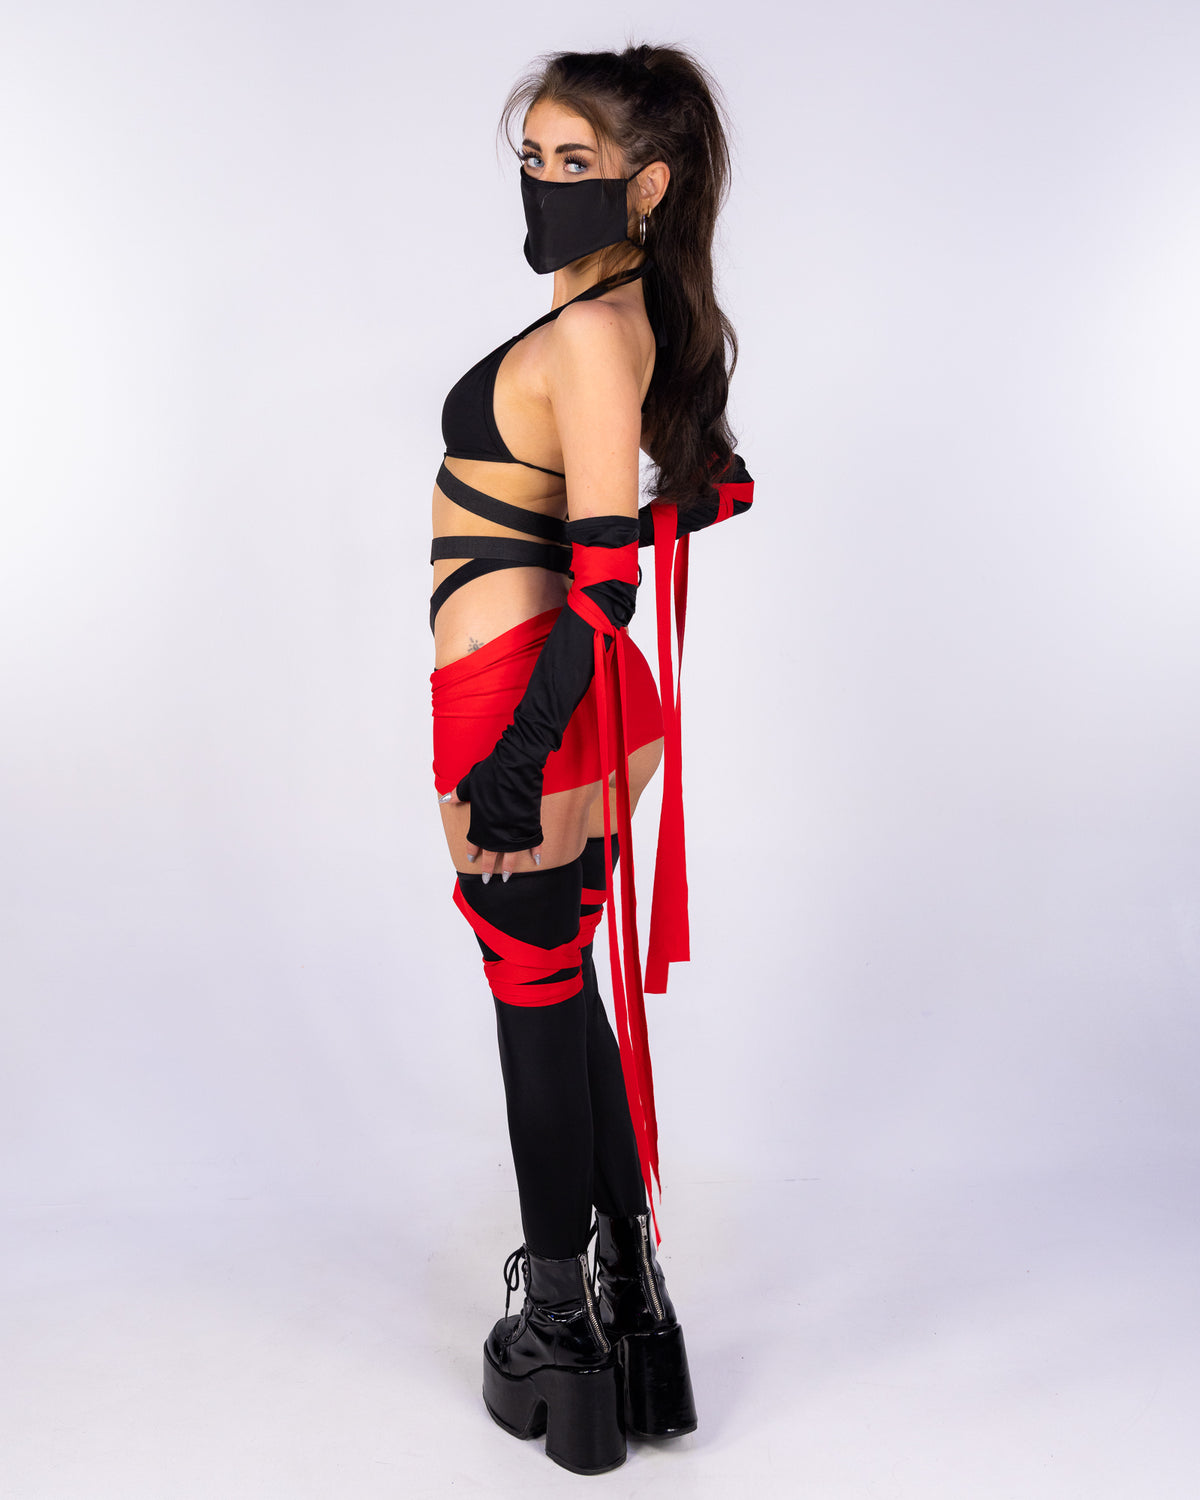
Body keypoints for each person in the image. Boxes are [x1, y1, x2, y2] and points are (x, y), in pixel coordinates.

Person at [429, 43, 754, 1475]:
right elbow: (682, 498)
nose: (545, 183)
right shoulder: (626, 321)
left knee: (532, 992)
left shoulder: (591, 334)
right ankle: (637, 1315)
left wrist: (513, 756)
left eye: (578, 161)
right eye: (535, 157)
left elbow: (605, 578)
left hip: (526, 697)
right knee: (562, 984)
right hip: (577, 705)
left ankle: (556, 1335)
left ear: (650, 185)